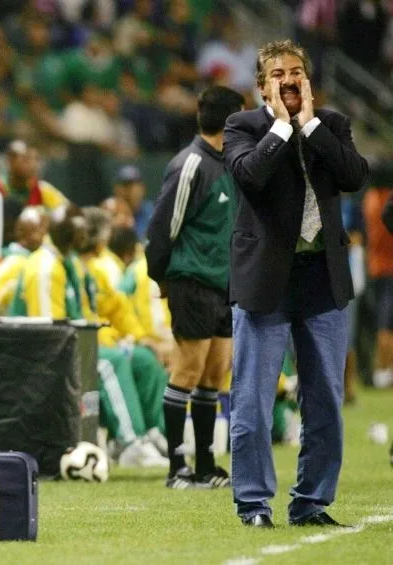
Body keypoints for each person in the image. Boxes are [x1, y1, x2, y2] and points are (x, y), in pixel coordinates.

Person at [223, 39, 369, 528]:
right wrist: (284, 128)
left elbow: (354, 176)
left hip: (321, 280)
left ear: (308, 80)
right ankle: (253, 504)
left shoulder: (331, 125)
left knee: (326, 399)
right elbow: (250, 176)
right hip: (265, 282)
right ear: (262, 85)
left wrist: (308, 123)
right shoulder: (242, 127)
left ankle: (311, 501)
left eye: (297, 72)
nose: (289, 79)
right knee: (253, 401)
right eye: (278, 73)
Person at [12, 206, 168, 468]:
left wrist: (117, 338)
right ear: (69, 233)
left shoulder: (70, 262)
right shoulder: (45, 269)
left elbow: (87, 313)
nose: (87, 236)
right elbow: (49, 333)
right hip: (38, 355)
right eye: (81, 231)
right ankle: (129, 443)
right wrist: (101, 346)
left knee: (142, 359)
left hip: (73, 343)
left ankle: (155, 433)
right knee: (110, 362)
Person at [146, 85, 246, 489]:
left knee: (214, 374)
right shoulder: (191, 164)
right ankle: (176, 467)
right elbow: (161, 230)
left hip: (225, 284)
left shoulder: (231, 164)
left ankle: (205, 463)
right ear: (233, 120)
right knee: (187, 370)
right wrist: (164, 279)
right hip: (192, 281)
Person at [363, 186, 393, 388]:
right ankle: (386, 371)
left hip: (373, 267)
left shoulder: (369, 199)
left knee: (380, 323)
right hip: (389, 267)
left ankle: (382, 370)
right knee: (387, 325)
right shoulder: (387, 199)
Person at [0, 140, 67, 211]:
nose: (33, 165)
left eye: (37, 159)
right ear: (10, 160)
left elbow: (68, 210)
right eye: (26, 159)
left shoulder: (42, 189)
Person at [108, 165, 155, 240]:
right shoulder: (109, 210)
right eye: (126, 185)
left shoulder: (151, 211)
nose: (132, 191)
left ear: (142, 188)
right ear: (116, 189)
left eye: (136, 185)